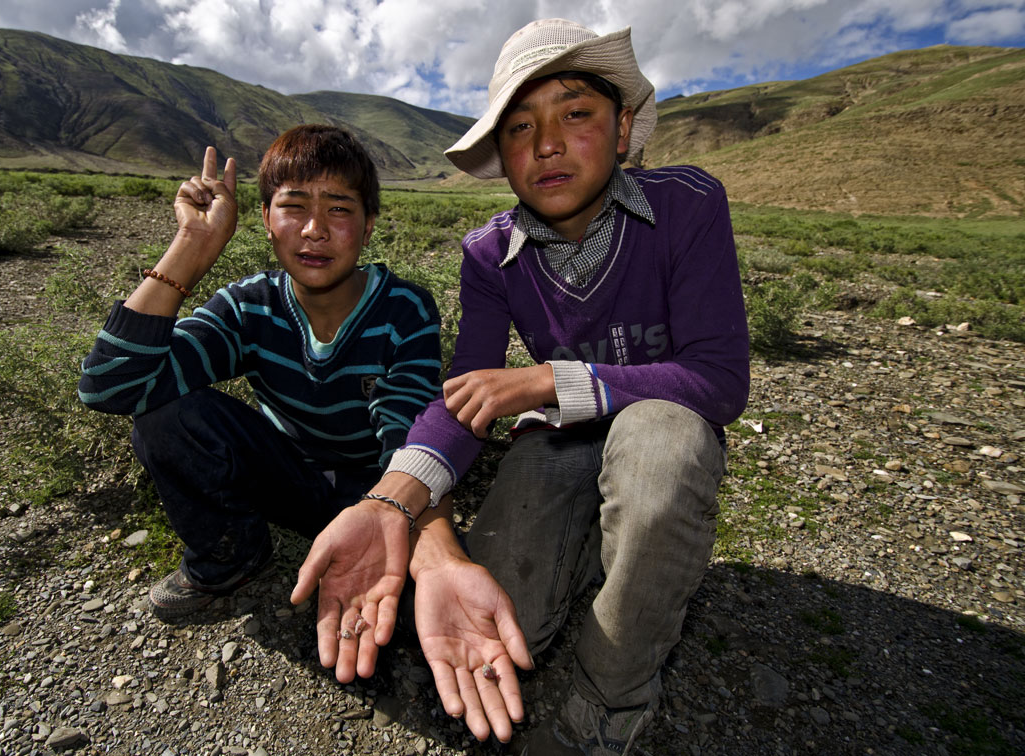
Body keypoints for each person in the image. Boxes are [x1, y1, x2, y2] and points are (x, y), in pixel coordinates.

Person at [299, 18, 750, 752]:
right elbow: (463, 399)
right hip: (559, 441)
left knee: (662, 445)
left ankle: (616, 695)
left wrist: (547, 378)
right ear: (501, 154)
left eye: (576, 114)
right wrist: (391, 501)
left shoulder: (687, 207)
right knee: (504, 623)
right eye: (518, 128)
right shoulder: (489, 254)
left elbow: (720, 380)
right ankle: (622, 550)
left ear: (624, 123)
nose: (546, 145)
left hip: (660, 429)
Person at [78, 125, 447, 686]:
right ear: (266, 221)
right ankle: (231, 555)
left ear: (369, 225)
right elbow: (108, 386)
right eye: (292, 206)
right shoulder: (249, 306)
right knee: (163, 413)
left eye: (339, 209)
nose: (315, 230)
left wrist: (404, 526)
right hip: (286, 476)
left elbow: (405, 432)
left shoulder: (405, 310)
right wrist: (192, 249)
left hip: (374, 492)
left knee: (419, 612)